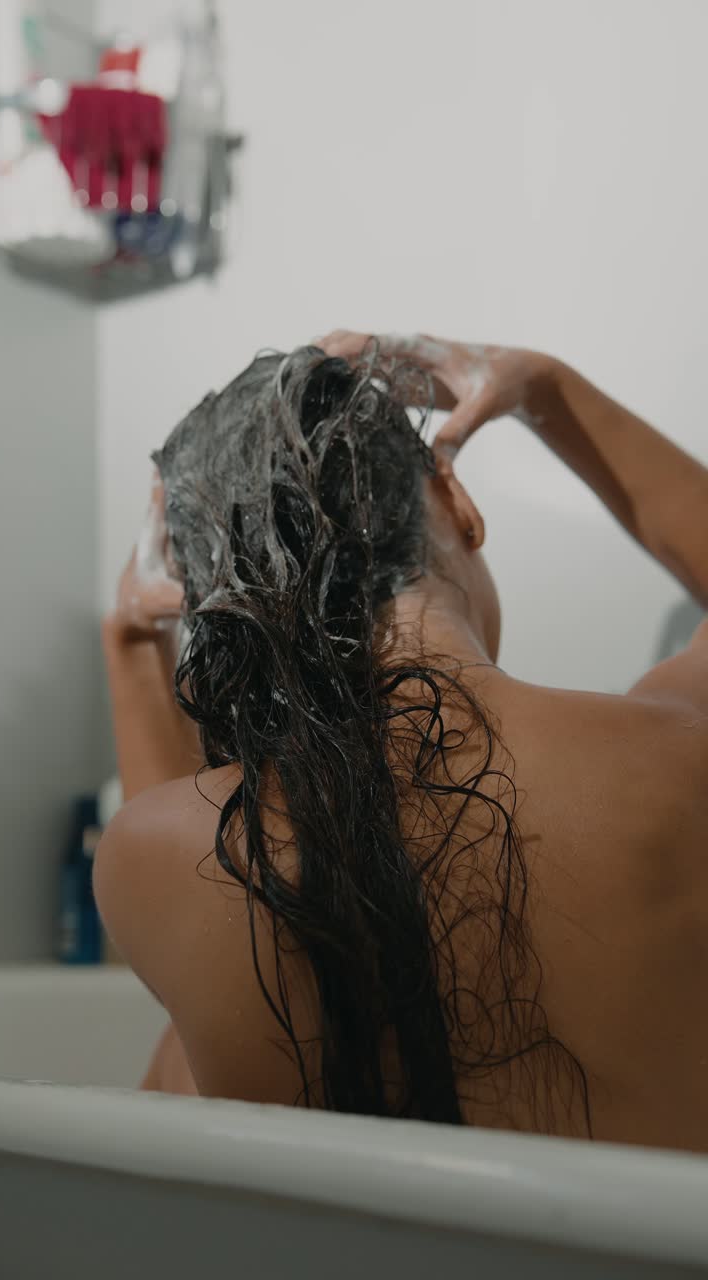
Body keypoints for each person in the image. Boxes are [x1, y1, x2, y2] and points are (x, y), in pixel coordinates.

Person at [95, 333, 708, 1151]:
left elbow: (182, 848)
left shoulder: (152, 861)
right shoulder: (679, 754)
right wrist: (546, 391)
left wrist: (130, 636)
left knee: (178, 1059)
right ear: (454, 501)